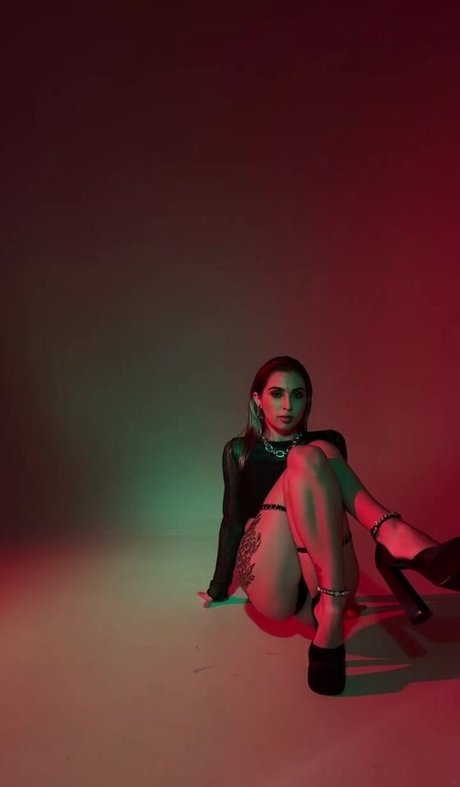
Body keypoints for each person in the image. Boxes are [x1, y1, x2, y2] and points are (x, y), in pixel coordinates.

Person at [199, 355, 460, 696]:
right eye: (277, 394)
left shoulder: (330, 444)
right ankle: (392, 534)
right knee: (307, 455)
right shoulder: (238, 451)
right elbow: (233, 523)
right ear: (257, 399)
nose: (287, 405)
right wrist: (218, 588)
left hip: (325, 577)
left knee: (317, 451)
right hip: (271, 579)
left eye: (298, 395)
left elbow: (333, 517)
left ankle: (332, 608)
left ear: (308, 400)